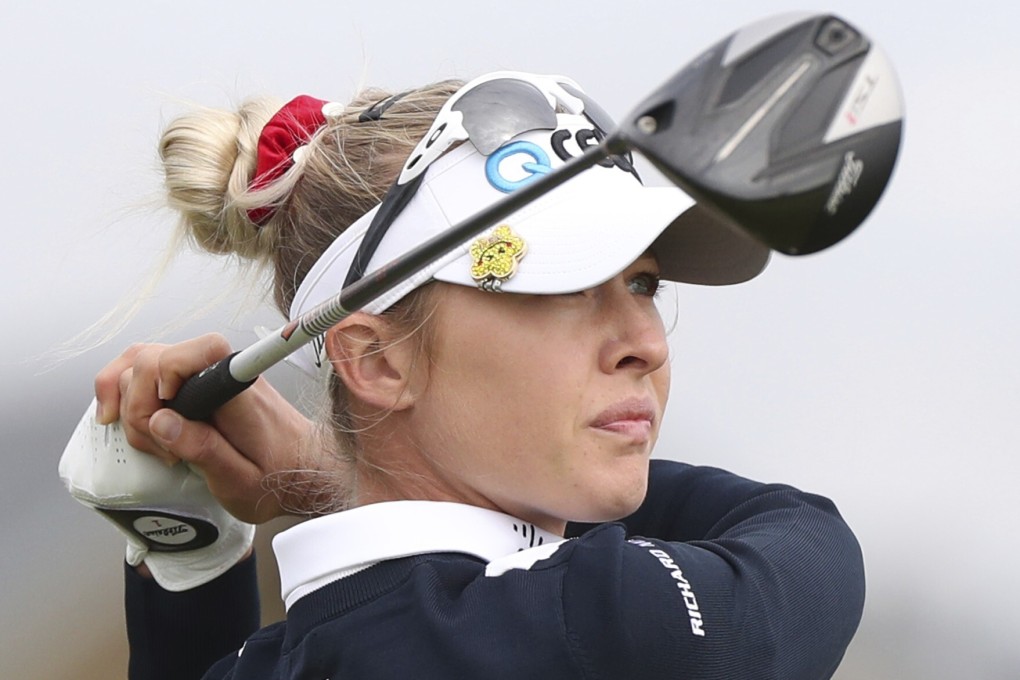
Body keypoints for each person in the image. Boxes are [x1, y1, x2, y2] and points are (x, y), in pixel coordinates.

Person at [69, 71, 865, 679]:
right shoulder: (571, 627)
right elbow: (809, 548)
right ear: (377, 359)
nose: (643, 344)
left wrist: (192, 565)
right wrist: (325, 470)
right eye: (561, 288)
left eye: (642, 284)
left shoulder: (285, 658)